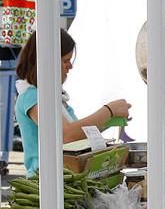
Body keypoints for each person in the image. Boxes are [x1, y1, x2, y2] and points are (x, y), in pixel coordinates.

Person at [14, 29, 130, 176]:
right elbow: (65, 135)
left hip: (65, 178)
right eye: (65, 61)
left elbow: (79, 135)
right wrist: (108, 111)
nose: (70, 66)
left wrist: (111, 120)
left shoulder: (53, 97)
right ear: (48, 62)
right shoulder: (32, 97)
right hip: (46, 184)